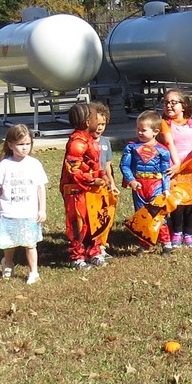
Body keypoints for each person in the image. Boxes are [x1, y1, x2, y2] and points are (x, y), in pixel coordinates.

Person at [0, 124, 48, 284]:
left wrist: (42, 209)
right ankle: (8, 263)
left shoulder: (34, 164)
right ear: (10, 145)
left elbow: (40, 188)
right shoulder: (4, 165)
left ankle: (34, 272)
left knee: (30, 244)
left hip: (29, 212)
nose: (25, 148)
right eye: (20, 144)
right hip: (9, 212)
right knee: (9, 242)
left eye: (28, 144)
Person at [60, 103, 108, 269]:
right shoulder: (77, 142)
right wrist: (91, 181)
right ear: (88, 122)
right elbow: (73, 168)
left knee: (94, 219)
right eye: (96, 118)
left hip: (90, 190)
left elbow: (94, 163)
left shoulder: (89, 139)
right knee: (78, 223)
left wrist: (102, 175)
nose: (99, 121)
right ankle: (77, 256)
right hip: (76, 191)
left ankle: (93, 251)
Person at [122, 110, 173, 254]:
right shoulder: (131, 148)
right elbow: (124, 166)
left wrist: (166, 188)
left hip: (155, 185)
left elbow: (165, 172)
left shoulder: (163, 151)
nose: (139, 132)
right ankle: (144, 243)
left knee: (157, 214)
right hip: (138, 185)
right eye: (138, 129)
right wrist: (131, 180)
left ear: (155, 131)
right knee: (141, 215)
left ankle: (166, 242)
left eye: (143, 130)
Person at [160, 89, 192, 248]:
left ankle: (189, 233)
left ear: (183, 105)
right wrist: (177, 164)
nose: (169, 106)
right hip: (174, 167)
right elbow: (170, 143)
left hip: (191, 168)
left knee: (189, 203)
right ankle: (177, 232)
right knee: (176, 203)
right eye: (166, 103)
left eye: (173, 102)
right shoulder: (165, 123)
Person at [91, 102, 118, 259]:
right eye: (97, 124)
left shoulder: (105, 142)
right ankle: (92, 245)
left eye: (103, 124)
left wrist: (112, 184)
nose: (100, 128)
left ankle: (101, 245)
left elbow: (108, 166)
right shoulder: (84, 142)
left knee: (104, 215)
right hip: (91, 185)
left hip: (104, 185)